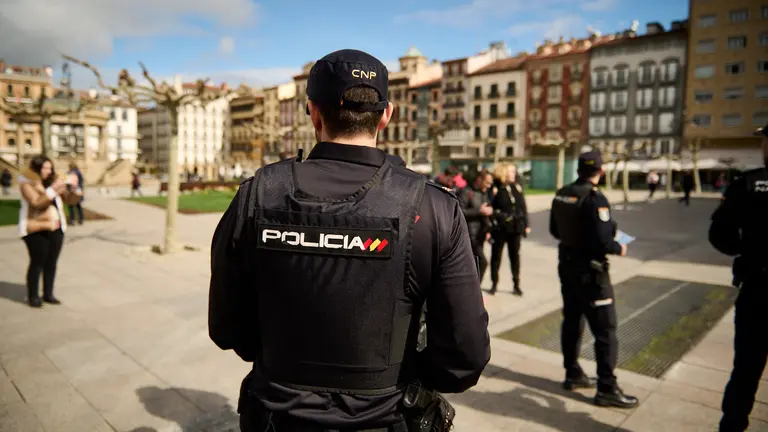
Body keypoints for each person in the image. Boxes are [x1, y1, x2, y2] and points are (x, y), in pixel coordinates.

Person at [208, 49, 490, 432]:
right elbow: (465, 355)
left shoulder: (258, 194)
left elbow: (226, 326)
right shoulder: (434, 207)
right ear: (386, 115)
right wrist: (401, 377)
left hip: (277, 414)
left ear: (313, 112)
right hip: (385, 417)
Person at [549, 151, 638, 409]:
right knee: (606, 331)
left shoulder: (562, 193)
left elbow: (555, 230)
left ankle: (572, 372)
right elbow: (603, 240)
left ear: (578, 169)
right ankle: (607, 387)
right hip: (592, 273)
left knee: (572, 320)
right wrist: (618, 247)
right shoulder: (595, 198)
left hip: (567, 266)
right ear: (600, 170)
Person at [709, 124, 768, 432]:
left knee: (745, 370)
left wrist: (749, 249)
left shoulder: (749, 184)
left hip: (758, 289)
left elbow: (719, 235)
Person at [18, 156, 71, 308]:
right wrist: (53, 189)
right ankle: (33, 296)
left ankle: (48, 294)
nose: (48, 171)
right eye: (45, 168)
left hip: (57, 227)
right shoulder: (26, 184)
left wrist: (73, 189)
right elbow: (36, 203)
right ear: (36, 169)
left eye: (50, 168)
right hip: (36, 228)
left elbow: (69, 201)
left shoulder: (52, 182)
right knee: (37, 262)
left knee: (51, 263)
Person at [489, 162, 530, 295]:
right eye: (512, 172)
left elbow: (523, 208)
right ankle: (494, 283)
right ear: (504, 173)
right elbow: (491, 207)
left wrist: (526, 224)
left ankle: (516, 284)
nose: (514, 174)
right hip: (500, 228)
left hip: (515, 228)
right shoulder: (496, 188)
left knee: (515, 257)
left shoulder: (517, 187)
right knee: (496, 257)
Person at [459, 170, 494, 284]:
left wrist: (488, 228)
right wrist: (479, 211)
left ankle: (473, 290)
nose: (489, 186)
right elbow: (460, 212)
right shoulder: (467, 192)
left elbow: (485, 212)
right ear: (479, 180)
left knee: (476, 264)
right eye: (487, 183)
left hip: (481, 233)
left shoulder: (484, 192)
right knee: (482, 262)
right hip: (469, 233)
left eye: (490, 183)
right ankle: (475, 291)